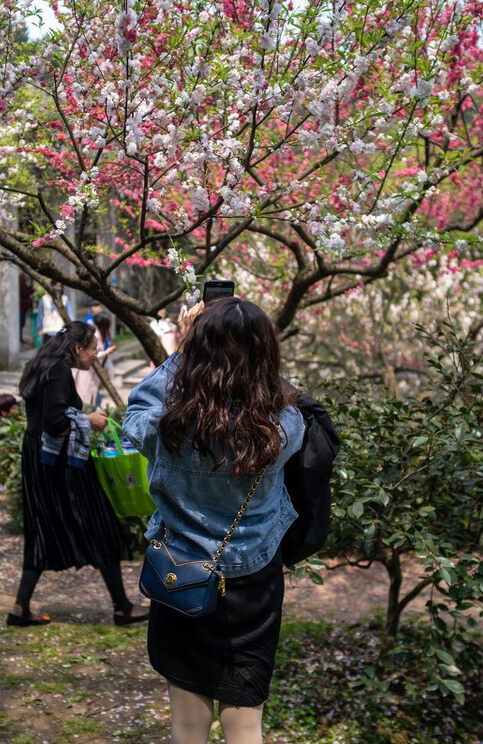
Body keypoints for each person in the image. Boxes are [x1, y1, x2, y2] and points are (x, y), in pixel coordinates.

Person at [122, 298, 306, 744]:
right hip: (253, 586)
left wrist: (185, 348)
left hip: (180, 577)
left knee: (188, 726)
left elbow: (134, 413)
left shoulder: (170, 427)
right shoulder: (284, 427)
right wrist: (249, 353)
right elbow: (282, 395)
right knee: (246, 724)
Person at [9, 321, 149, 628]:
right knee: (100, 524)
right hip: (62, 466)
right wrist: (90, 420)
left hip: (39, 461)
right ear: (77, 349)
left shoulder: (41, 363)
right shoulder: (59, 369)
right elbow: (55, 421)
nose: (95, 356)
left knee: (42, 530)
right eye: (93, 350)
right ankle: (122, 608)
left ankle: (20, 608)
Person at [18, 273, 34, 344]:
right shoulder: (21, 282)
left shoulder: (23, 282)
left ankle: (20, 338)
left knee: (22, 323)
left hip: (23, 307)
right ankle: (19, 338)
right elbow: (24, 293)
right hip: (21, 307)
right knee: (21, 323)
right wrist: (31, 290)